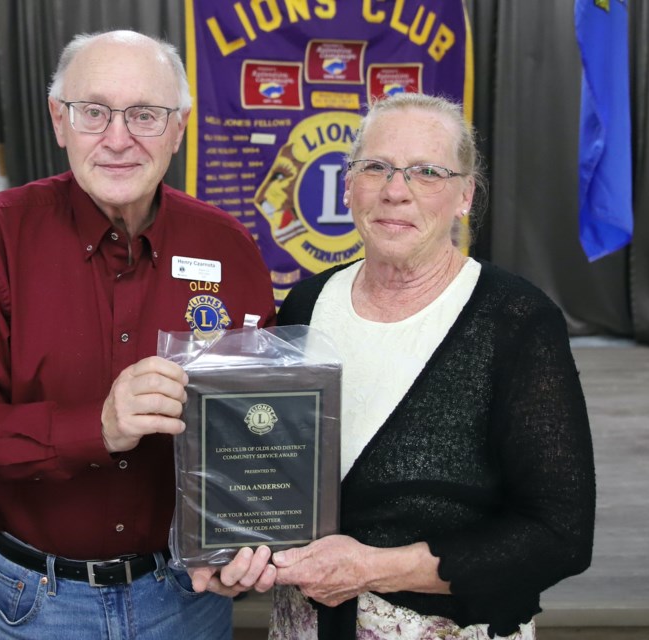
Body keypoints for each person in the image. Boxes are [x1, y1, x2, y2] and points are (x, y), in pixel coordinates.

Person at [0, 29, 276, 639]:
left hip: (187, 595)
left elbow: (254, 429)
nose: (117, 138)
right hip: (36, 599)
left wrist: (247, 541)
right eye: (93, 112)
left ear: (179, 128)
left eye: (144, 115)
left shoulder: (229, 248)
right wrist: (96, 428)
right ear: (59, 121)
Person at [192, 92, 597, 639]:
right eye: (375, 167)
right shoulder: (306, 306)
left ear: (464, 196)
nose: (395, 191)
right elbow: (269, 475)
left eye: (427, 172)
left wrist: (373, 568)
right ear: (348, 184)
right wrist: (235, 550)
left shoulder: (517, 320)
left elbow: (560, 535)